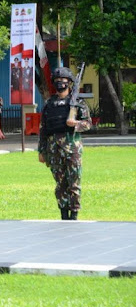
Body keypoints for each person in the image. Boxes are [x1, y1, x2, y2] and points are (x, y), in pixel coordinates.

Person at [38, 67, 91, 220]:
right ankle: (63, 213)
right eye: (57, 80)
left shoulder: (77, 102)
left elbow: (88, 123)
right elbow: (43, 129)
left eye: (63, 80)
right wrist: (41, 151)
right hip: (53, 148)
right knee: (60, 184)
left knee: (74, 182)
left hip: (72, 147)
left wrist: (75, 124)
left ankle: (74, 214)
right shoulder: (49, 104)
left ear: (69, 82)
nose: (60, 83)